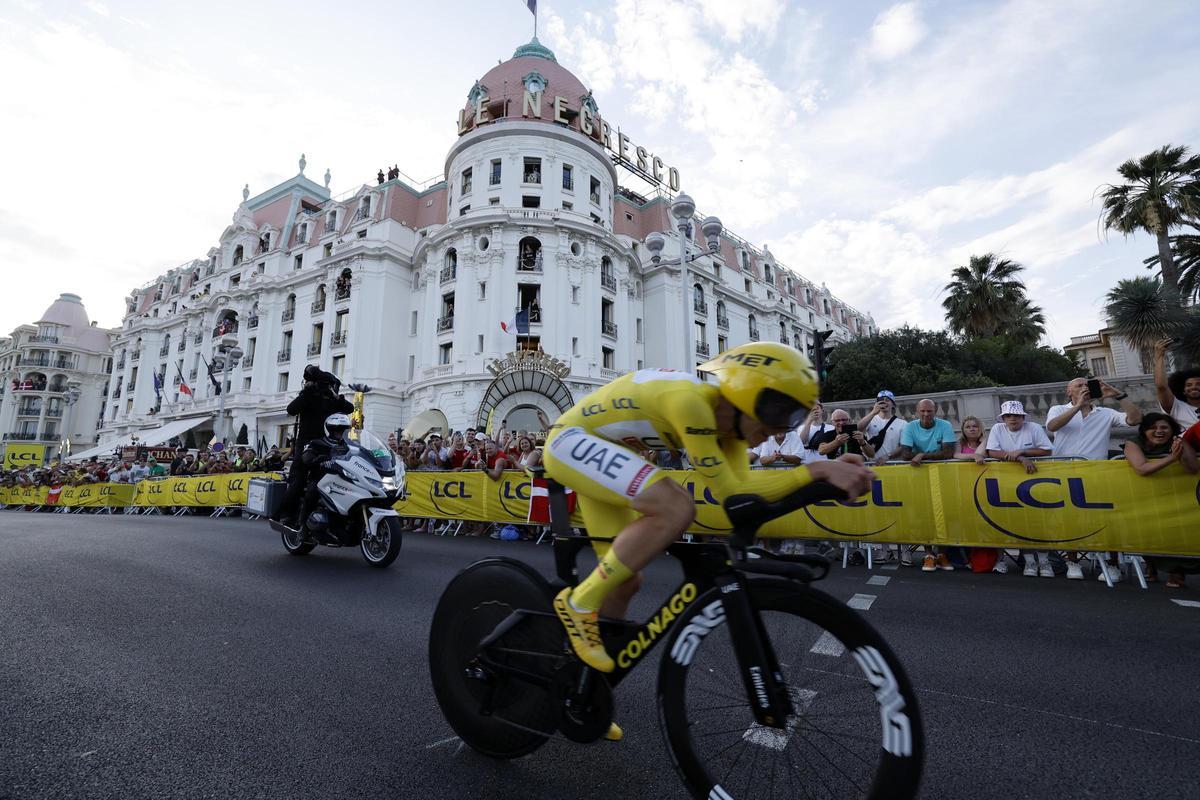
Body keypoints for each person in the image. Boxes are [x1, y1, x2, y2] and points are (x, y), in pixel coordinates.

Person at [544, 343, 873, 686]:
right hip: (570, 440)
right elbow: (733, 492)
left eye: (794, 419)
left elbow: (741, 496)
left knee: (623, 579)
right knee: (675, 507)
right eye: (782, 414)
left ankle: (583, 689)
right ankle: (579, 603)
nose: (781, 431)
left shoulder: (728, 432)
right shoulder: (691, 404)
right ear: (747, 396)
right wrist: (817, 471)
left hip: (606, 448)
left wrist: (826, 470)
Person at [1046, 377, 1142, 579]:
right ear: (1068, 391)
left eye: (1087, 385)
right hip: (1065, 474)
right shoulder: (1057, 409)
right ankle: (1073, 562)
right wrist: (1078, 407)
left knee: (1106, 519)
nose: (1084, 388)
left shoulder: (1105, 413)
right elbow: (1052, 427)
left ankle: (1113, 564)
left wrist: (1119, 395)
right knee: (1070, 519)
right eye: (1079, 385)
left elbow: (1135, 419)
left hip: (1096, 474)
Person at [1124, 412, 1200, 588]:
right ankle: (1151, 565)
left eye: (1164, 427)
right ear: (1144, 431)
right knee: (1146, 529)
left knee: (1175, 530)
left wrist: (1180, 454)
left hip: (1174, 496)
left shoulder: (1179, 442)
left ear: (1172, 430)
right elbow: (1141, 468)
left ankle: (1177, 571)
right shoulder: (1133, 442)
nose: (1159, 431)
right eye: (1153, 428)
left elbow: (1193, 469)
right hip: (1142, 496)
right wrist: (1171, 458)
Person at [275, 365, 354, 526]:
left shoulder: (333, 399)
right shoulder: (308, 396)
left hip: (329, 445)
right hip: (307, 444)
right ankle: (286, 515)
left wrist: (337, 397)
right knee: (298, 478)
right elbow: (291, 409)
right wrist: (307, 392)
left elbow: (349, 409)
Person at [984, 401, 1053, 577]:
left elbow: (1047, 451)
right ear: (1004, 418)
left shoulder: (1035, 427)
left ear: (1023, 417)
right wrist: (1021, 458)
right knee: (1019, 522)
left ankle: (1044, 561)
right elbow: (992, 452)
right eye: (1008, 416)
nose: (1012, 419)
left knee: (1040, 522)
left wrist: (1021, 452)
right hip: (1007, 482)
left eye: (1016, 415)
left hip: (1037, 481)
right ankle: (1029, 561)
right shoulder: (997, 429)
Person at [894, 400, 958, 571]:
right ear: (916, 411)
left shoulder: (945, 425)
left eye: (929, 411)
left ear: (935, 411)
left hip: (943, 476)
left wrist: (922, 455)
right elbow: (906, 455)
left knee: (945, 514)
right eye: (922, 411)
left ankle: (942, 554)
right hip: (919, 478)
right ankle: (928, 554)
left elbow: (948, 453)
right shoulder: (910, 427)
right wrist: (923, 455)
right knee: (924, 514)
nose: (926, 414)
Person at [295, 413, 354, 539]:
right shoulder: (317, 443)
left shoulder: (349, 446)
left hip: (343, 478)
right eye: (336, 429)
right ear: (330, 430)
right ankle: (303, 528)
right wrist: (313, 458)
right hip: (321, 477)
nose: (340, 432)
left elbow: (359, 455)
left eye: (342, 429)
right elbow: (307, 455)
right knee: (312, 492)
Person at [1152, 337, 1200, 429]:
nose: (1194, 387)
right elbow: (1161, 386)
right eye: (1189, 385)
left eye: (1198, 384)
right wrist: (1159, 357)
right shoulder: (1176, 407)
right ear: (1183, 390)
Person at [860, 390, 907, 466]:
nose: (884, 402)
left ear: (893, 404)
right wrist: (873, 412)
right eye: (880, 400)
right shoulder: (870, 419)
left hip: (892, 466)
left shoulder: (903, 423)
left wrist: (887, 456)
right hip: (872, 465)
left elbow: (903, 446)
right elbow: (858, 429)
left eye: (887, 400)